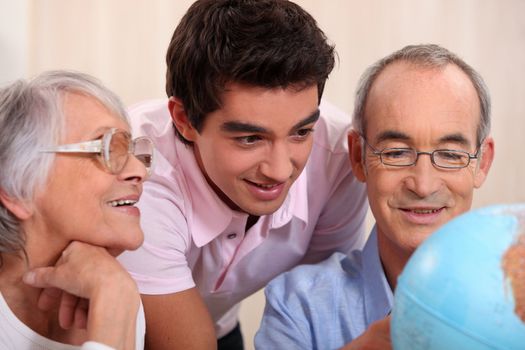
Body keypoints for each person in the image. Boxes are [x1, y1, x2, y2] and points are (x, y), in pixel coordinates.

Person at [116, 0, 368, 349]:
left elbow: (321, 304)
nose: (280, 170)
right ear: (185, 120)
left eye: (301, 132)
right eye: (250, 138)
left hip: (216, 326)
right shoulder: (137, 172)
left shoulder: (340, 157)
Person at [254, 43, 495, 349]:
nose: (423, 185)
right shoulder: (298, 305)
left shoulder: (515, 300)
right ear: (358, 156)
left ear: (482, 163)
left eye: (449, 154)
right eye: (395, 153)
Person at [0, 70, 155, 349]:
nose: (139, 170)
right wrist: (113, 301)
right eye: (106, 148)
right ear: (17, 191)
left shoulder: (112, 285)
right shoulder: (115, 292)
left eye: (131, 150)